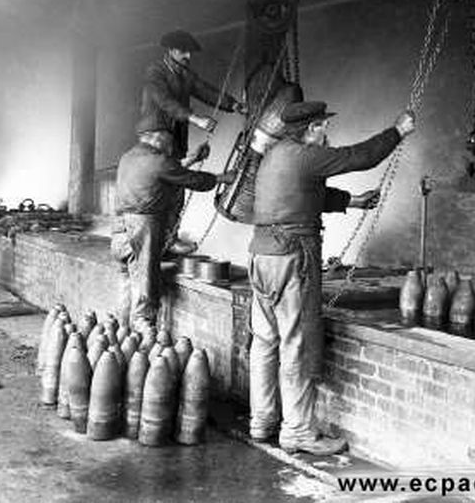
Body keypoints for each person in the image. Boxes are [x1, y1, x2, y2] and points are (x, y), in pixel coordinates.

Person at [248, 101, 416, 455]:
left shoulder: (275, 156)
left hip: (261, 256)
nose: (326, 133)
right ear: (312, 128)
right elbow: (359, 157)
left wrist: (352, 202)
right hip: (291, 256)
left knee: (264, 341)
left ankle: (261, 421)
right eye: (323, 126)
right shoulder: (305, 155)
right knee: (295, 344)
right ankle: (297, 432)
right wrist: (397, 131)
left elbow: (307, 194)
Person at [111, 130, 235, 334]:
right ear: (159, 141)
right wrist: (223, 178)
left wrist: (193, 158)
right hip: (141, 226)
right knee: (145, 274)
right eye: (169, 147)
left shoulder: (129, 157)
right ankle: (143, 326)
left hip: (120, 228)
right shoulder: (157, 160)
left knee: (126, 279)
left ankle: (120, 331)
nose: (169, 152)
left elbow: (168, 170)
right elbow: (191, 179)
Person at [136, 29, 246, 255]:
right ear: (171, 50)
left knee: (177, 185)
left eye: (190, 52)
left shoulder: (185, 75)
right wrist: (196, 118)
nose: (188, 56)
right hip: (155, 137)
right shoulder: (155, 72)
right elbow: (165, 102)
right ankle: (150, 238)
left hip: (175, 138)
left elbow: (206, 91)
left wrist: (234, 105)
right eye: (183, 51)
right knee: (156, 186)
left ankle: (169, 239)